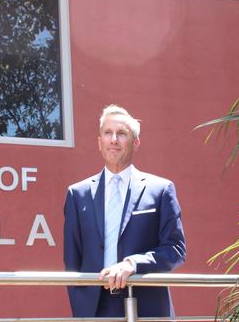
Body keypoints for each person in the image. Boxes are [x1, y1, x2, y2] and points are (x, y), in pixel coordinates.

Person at [63, 104, 186, 318]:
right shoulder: (77, 194)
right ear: (99, 142)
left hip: (147, 306)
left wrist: (133, 264)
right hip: (95, 309)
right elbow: (72, 260)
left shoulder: (161, 190)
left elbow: (175, 249)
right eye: (107, 133)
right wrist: (80, 307)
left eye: (122, 134)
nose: (114, 140)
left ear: (135, 142)